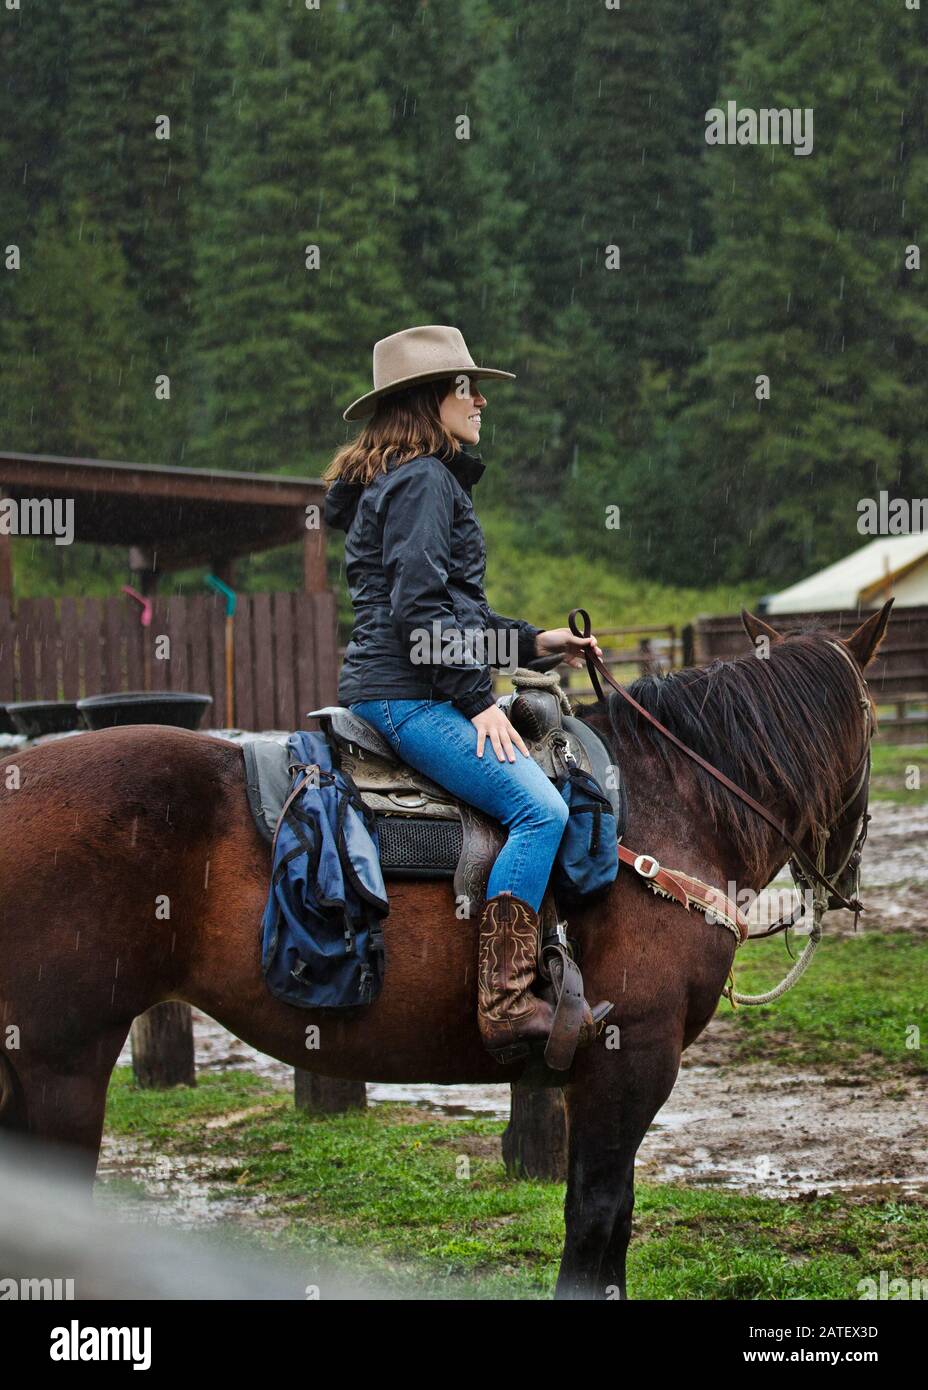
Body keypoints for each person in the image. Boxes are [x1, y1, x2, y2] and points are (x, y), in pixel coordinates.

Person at [323, 325, 609, 1062]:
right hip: (408, 697)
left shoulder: (416, 478)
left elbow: (457, 610)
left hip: (409, 686)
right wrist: (477, 699)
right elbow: (421, 616)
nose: (480, 400)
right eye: (464, 387)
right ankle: (508, 1000)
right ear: (429, 400)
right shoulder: (423, 481)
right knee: (539, 810)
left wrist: (535, 642)